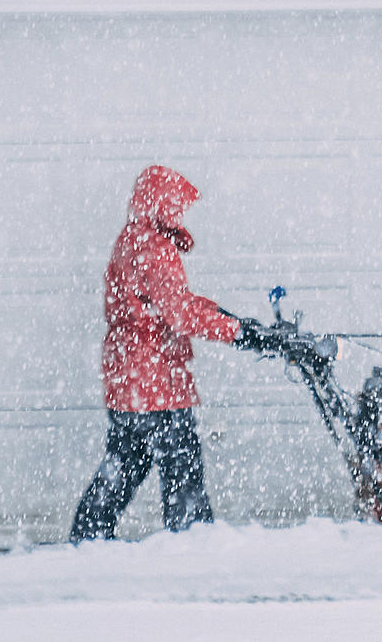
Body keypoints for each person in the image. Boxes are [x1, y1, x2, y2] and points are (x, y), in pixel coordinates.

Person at [70, 165, 260, 543]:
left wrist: (224, 315)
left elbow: (170, 302)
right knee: (182, 468)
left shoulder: (130, 240)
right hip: (157, 382)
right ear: (162, 203)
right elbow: (179, 314)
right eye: (176, 206)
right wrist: (237, 333)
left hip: (128, 380)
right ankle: (193, 544)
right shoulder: (156, 249)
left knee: (124, 463)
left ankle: (87, 537)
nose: (180, 214)